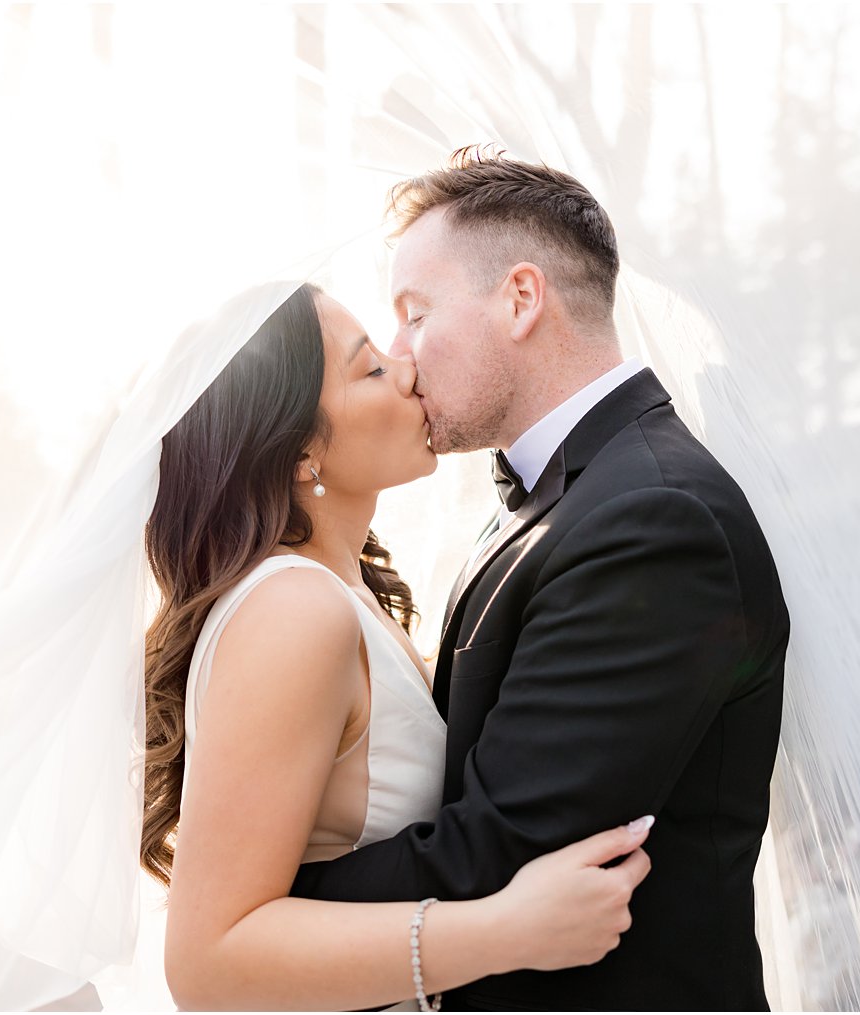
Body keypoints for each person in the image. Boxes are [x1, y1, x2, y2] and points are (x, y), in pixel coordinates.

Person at [288, 147, 790, 1011]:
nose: (401, 357)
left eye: (415, 314)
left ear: (521, 298)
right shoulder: (569, 495)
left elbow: (502, 846)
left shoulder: (655, 520)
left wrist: (260, 921)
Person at [139, 281, 654, 1011]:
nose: (407, 367)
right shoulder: (294, 609)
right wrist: (506, 930)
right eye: (371, 368)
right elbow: (206, 961)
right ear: (302, 454)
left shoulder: (344, 598)